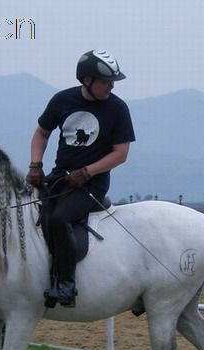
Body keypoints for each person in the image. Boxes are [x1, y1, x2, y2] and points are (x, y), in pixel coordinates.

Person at [26, 49, 136, 308]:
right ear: (87, 80)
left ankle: (65, 284)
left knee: (59, 218)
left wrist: (87, 172)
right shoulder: (61, 101)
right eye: (106, 81)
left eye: (112, 82)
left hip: (92, 184)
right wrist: (35, 165)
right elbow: (41, 133)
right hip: (60, 178)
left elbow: (121, 154)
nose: (111, 86)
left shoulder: (118, 109)